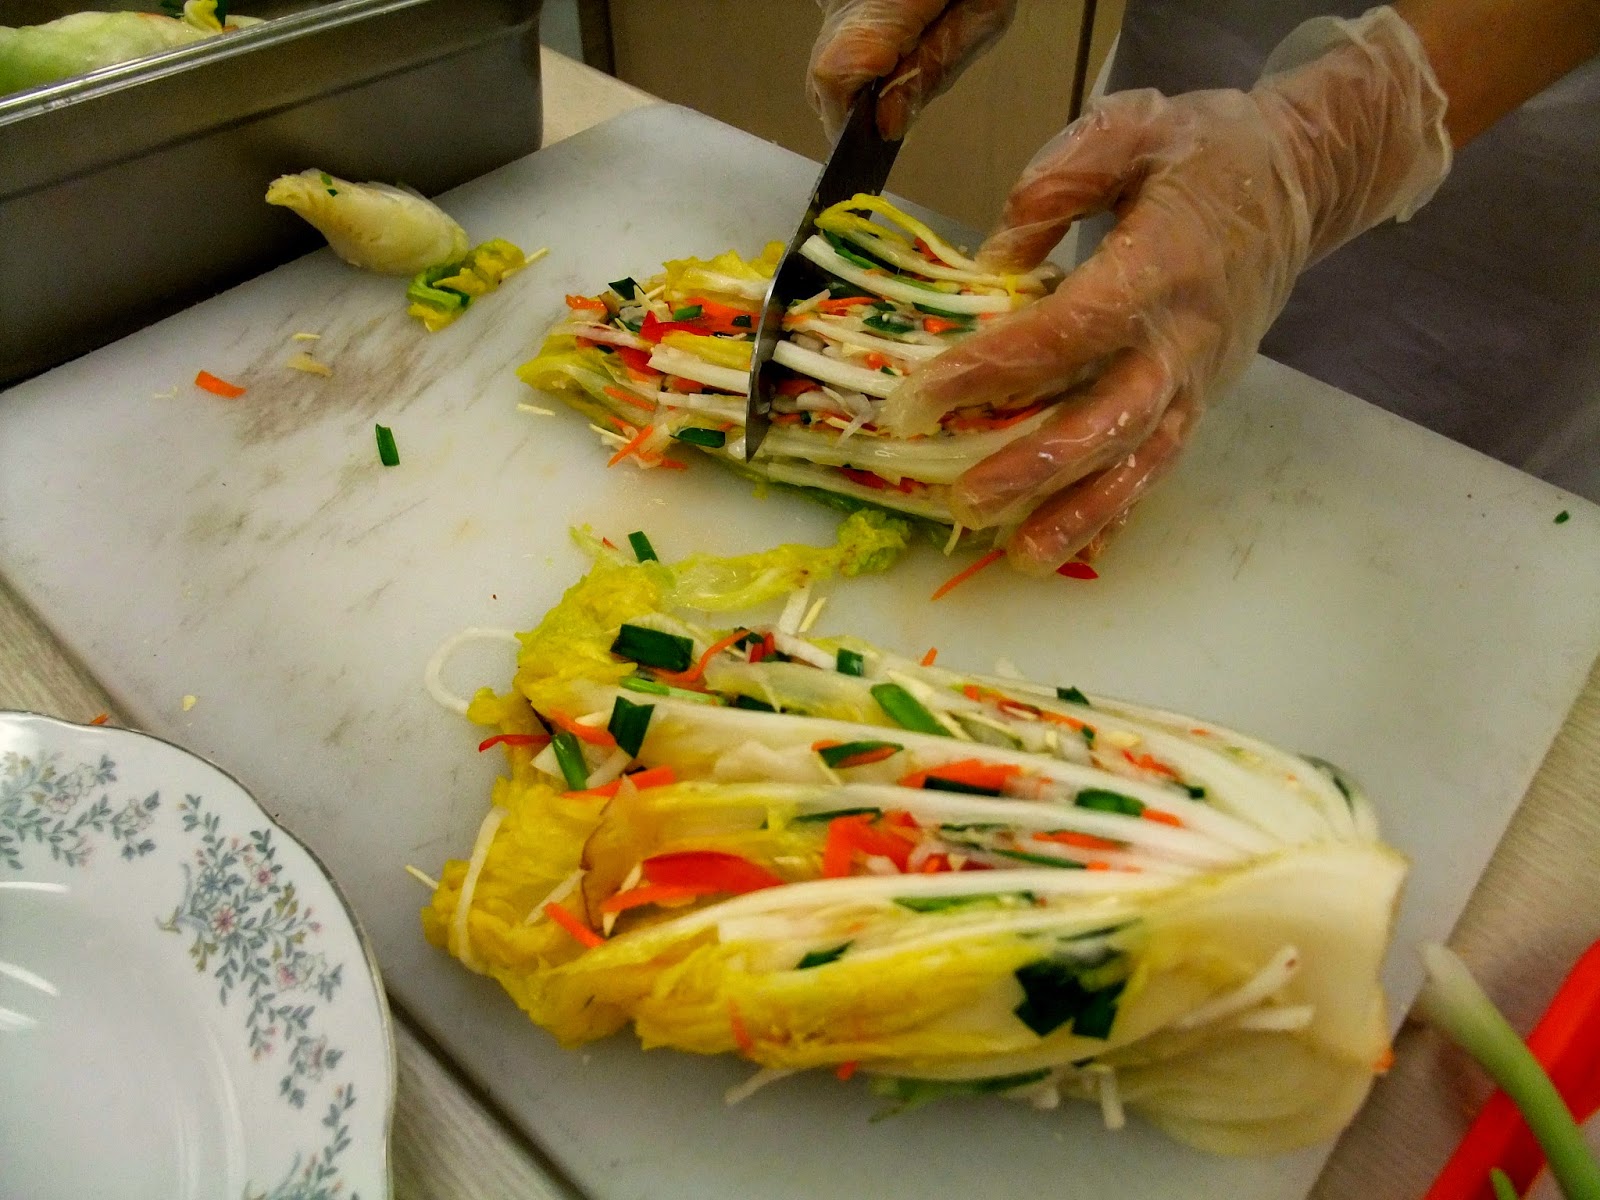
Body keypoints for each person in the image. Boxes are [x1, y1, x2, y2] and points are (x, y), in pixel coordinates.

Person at [807, 0, 1600, 573]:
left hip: (1512, 148)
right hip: (1199, 56)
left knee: (1443, 532)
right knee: (1115, 347)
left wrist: (1323, 141)